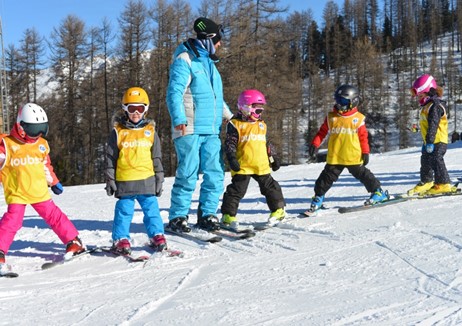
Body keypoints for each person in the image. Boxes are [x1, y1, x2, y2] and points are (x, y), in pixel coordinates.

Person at [166, 17, 233, 232]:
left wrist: (229, 116)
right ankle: (178, 217)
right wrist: (179, 120)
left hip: (211, 129)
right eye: (219, 40)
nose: (221, 44)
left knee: (215, 173)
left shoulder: (210, 63)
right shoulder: (185, 59)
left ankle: (208, 215)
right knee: (188, 172)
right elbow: (174, 93)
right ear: (209, 39)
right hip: (190, 127)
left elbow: (215, 96)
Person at [0, 103, 85, 270]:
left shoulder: (41, 144)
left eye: (42, 129)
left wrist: (54, 182)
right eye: (33, 130)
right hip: (17, 193)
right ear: (21, 126)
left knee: (55, 217)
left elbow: (46, 166)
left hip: (39, 191)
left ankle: (74, 241)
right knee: (12, 222)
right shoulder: (7, 145)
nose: (38, 134)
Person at [307, 84, 388, 213]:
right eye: (338, 100)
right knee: (324, 179)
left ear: (353, 101)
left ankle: (378, 192)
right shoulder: (332, 117)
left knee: (364, 176)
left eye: (343, 101)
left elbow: (363, 137)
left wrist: (366, 152)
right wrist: (315, 144)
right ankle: (318, 198)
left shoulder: (358, 119)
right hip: (335, 156)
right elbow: (322, 132)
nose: (339, 104)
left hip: (353, 156)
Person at [105, 87, 166, 254]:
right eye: (132, 109)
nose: (136, 113)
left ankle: (157, 235)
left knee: (152, 210)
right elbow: (110, 158)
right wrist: (110, 179)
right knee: (124, 211)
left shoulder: (150, 132)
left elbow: (156, 157)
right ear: (125, 109)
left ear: (145, 109)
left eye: (140, 108)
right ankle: (121, 239)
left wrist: (159, 178)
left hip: (147, 180)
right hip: (125, 181)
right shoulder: (118, 132)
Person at [221, 89, 285, 229]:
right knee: (236, 191)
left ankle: (278, 210)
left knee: (271, 188)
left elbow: (266, 143)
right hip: (243, 165)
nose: (259, 113)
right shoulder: (235, 124)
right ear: (245, 107)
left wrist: (273, 157)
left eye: (261, 110)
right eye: (257, 110)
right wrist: (232, 158)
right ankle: (228, 215)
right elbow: (230, 143)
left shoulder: (261, 125)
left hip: (261, 164)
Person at [408, 74, 456, 195]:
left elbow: (434, 124)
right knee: (425, 161)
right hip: (429, 141)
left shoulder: (435, 106)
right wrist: (417, 129)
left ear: (428, 91)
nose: (418, 98)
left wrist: (430, 141)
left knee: (436, 160)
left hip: (437, 140)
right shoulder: (426, 106)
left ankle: (443, 183)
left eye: (420, 95)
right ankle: (427, 182)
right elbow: (427, 124)